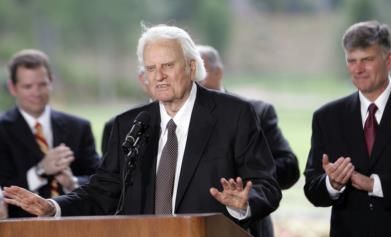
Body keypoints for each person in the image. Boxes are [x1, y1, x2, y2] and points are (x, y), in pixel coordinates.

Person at [4, 25, 281, 233]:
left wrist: (241, 204)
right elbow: (102, 191)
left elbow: (267, 186)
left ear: (191, 66)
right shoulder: (129, 124)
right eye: (150, 68)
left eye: (167, 66)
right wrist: (53, 207)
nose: (158, 76)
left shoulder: (234, 114)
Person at [304, 20, 391, 236]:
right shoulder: (327, 117)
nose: (358, 69)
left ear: (389, 60)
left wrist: (373, 184)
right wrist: (332, 184)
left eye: (367, 60)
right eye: (352, 61)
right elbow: (312, 189)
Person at [197, 45, 300, 237]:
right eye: (191, 70)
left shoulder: (256, 112)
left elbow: (289, 169)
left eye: (200, 70)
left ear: (218, 72)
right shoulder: (179, 119)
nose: (195, 77)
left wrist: (248, 174)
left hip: (248, 228)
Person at [0, 49, 100, 217]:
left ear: (51, 81)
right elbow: (3, 189)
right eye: (28, 86)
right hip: (21, 227)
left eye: (42, 84)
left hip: (74, 223)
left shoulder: (78, 127)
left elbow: (101, 179)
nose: (36, 93)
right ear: (13, 87)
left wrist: (73, 182)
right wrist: (40, 170)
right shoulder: (2, 130)